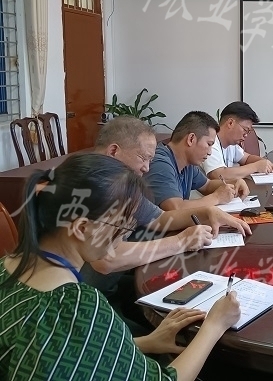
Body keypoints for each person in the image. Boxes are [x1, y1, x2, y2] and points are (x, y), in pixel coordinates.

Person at [0, 154, 243, 381]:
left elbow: (61, 350)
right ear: (81, 228)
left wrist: (144, 342)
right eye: (121, 227)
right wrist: (214, 325)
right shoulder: (74, 305)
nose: (123, 238)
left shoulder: (7, 267)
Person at [82, 116, 250, 333]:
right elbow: (106, 259)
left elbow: (159, 218)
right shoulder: (89, 183)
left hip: (109, 286)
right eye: (143, 158)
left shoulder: (121, 184)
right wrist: (181, 242)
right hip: (83, 302)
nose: (147, 168)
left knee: (187, 305)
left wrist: (207, 213)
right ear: (114, 151)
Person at [145, 111, 249, 211]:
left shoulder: (187, 163)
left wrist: (234, 183)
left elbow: (207, 185)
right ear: (191, 139)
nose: (210, 152)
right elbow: (175, 208)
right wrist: (217, 197)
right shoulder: (160, 163)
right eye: (209, 144)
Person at [202, 101, 273, 180]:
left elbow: (247, 158)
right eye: (245, 130)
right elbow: (218, 175)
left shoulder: (231, 145)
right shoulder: (211, 143)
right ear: (230, 123)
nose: (246, 135)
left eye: (248, 132)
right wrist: (256, 167)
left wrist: (265, 163)